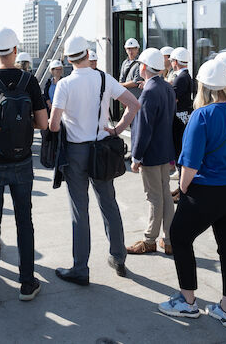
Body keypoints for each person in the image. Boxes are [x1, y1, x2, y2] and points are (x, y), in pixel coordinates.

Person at [158, 59, 226, 330]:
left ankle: (188, 301)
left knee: (180, 236)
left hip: (206, 190)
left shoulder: (201, 115)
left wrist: (181, 190)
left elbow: (189, 166)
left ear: (201, 86)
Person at [49, 36, 140, 285]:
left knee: (80, 209)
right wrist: (117, 129)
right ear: (88, 54)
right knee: (108, 203)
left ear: (68, 59)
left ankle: (80, 267)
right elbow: (133, 104)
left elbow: (54, 125)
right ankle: (118, 256)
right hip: (101, 148)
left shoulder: (65, 84)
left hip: (76, 151)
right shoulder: (102, 78)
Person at [0, 27, 47, 307]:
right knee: (24, 221)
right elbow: (43, 123)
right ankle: (27, 283)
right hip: (23, 160)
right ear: (16, 51)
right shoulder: (30, 80)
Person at [126, 48, 176, 256]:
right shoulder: (166, 88)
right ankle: (170, 238)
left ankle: (149, 240)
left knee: (154, 197)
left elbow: (144, 128)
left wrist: (136, 156)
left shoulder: (149, 92)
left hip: (152, 154)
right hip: (165, 150)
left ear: (144, 67)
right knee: (164, 195)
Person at [170, 46, 193, 201]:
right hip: (183, 118)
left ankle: (182, 190)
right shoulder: (185, 76)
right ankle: (180, 188)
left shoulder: (181, 78)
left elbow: (173, 97)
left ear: (176, 62)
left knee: (179, 153)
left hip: (179, 120)